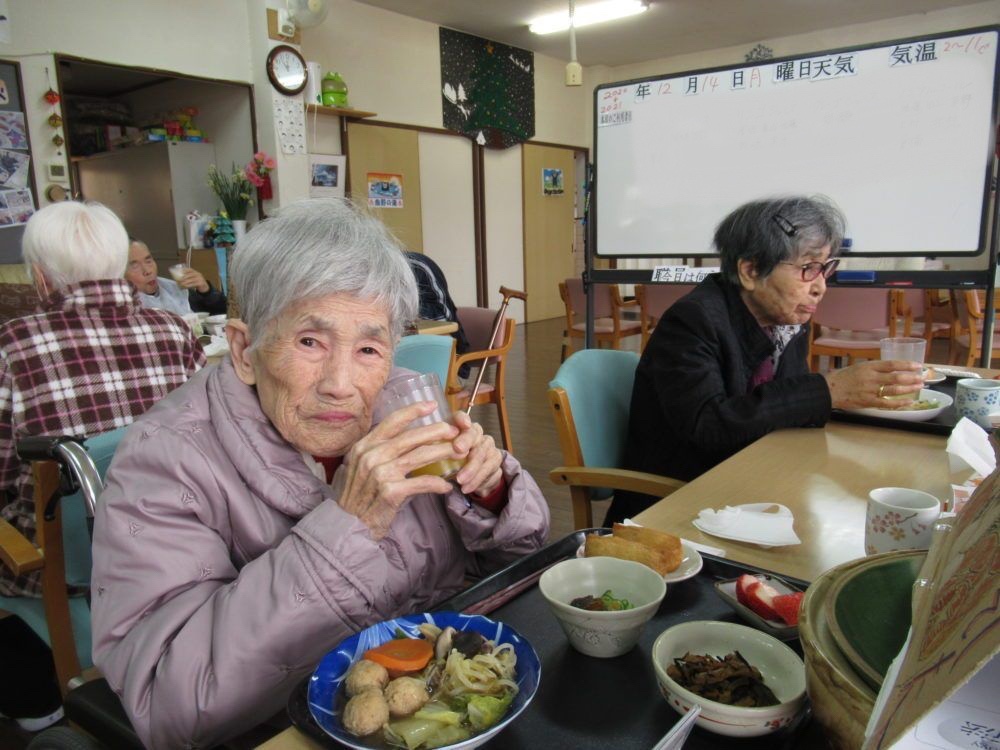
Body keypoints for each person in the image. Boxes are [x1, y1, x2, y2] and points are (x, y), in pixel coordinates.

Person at [91, 198, 550, 749]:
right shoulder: (164, 461)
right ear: (244, 349)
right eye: (309, 342)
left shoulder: (401, 404)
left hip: (442, 704)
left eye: (369, 348)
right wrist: (347, 525)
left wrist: (491, 494)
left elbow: (517, 565)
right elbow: (169, 705)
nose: (340, 384)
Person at [0, 201, 204, 730]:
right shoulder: (176, 331)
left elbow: (2, 475)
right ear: (120, 264)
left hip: (69, 562)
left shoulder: (11, 345)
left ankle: (34, 703)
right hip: (171, 542)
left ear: (40, 276)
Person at [606, 195, 923, 525]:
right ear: (750, 270)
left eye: (825, 268)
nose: (821, 287)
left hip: (750, 485)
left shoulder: (786, 319)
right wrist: (829, 390)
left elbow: (789, 410)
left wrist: (847, 397)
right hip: (678, 505)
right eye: (808, 269)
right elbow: (707, 425)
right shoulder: (693, 320)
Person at [404, 250, 471, 373]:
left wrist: (406, 310)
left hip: (443, 356)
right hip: (406, 353)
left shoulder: (418, 267)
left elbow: (445, 315)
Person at [125, 238, 227, 316]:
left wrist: (206, 291)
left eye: (148, 261)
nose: (148, 271)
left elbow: (222, 315)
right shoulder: (125, 308)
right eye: (135, 266)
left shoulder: (173, 289)